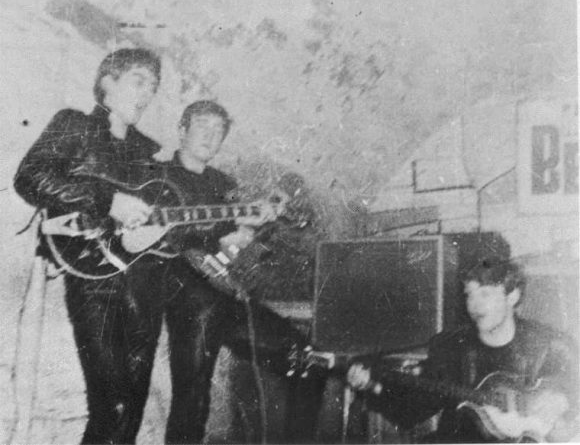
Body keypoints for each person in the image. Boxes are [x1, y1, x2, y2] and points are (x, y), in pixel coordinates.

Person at [14, 47, 168, 444]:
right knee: (111, 403)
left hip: (142, 282)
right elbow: (30, 177)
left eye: (153, 85)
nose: (148, 92)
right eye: (139, 80)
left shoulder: (148, 152)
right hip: (93, 276)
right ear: (108, 82)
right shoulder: (75, 124)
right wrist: (106, 200)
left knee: (129, 411)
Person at [158, 100, 313, 444]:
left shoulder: (225, 184)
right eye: (203, 126)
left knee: (305, 356)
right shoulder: (160, 177)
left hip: (223, 295)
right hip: (186, 296)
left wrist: (252, 230)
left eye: (219, 131)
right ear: (181, 130)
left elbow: (233, 245)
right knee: (193, 396)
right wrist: (221, 233)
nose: (211, 136)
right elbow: (168, 237)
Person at [346, 257, 579, 443]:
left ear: (512, 295)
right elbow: (413, 411)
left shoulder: (550, 344)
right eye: (469, 295)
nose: (474, 305)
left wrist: (565, 402)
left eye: (485, 293)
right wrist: (371, 386)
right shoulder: (450, 348)